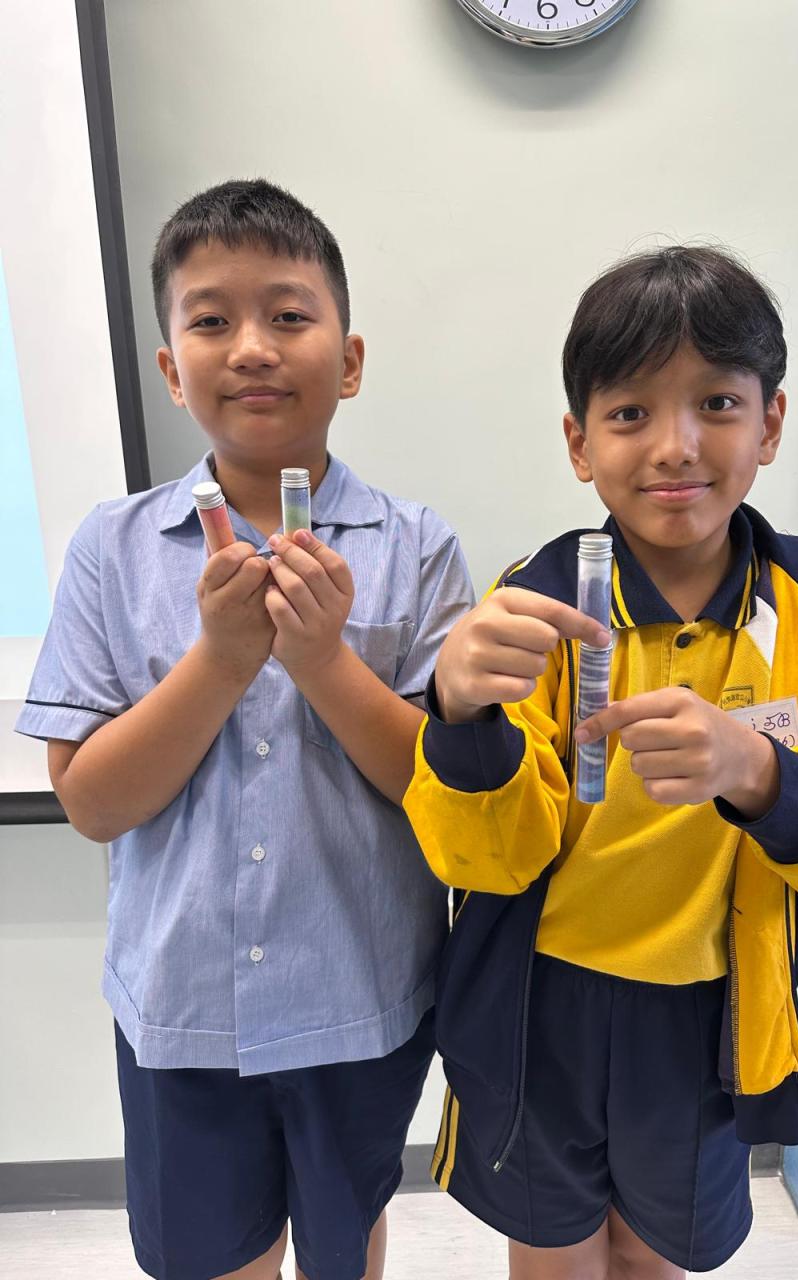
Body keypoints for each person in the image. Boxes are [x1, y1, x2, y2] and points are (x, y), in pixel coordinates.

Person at [402, 246, 798, 1278]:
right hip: (541, 1010)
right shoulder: (536, 601)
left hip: (708, 1017)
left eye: (717, 403)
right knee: (553, 1256)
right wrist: (460, 715)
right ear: (579, 442)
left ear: (770, 423)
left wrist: (760, 772)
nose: (675, 445)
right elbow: (488, 860)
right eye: (630, 412)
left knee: (655, 1257)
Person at [16, 178, 473, 1280]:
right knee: (210, 1253)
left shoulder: (418, 546)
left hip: (362, 998)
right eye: (212, 319)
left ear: (349, 361)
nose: (254, 346)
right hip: (182, 1005)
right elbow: (92, 801)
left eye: (289, 313)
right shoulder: (112, 547)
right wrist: (221, 661)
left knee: (343, 1240)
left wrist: (321, 662)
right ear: (172, 370)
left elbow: (444, 788)